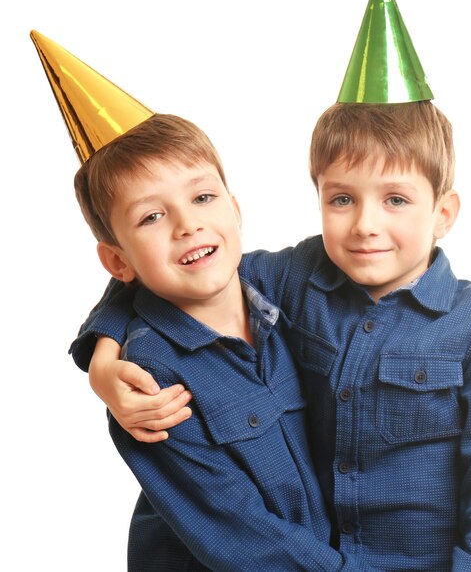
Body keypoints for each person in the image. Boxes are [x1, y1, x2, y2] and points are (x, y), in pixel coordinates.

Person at [68, 0, 471, 570]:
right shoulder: (292, 280)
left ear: (444, 212)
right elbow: (168, 282)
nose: (365, 224)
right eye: (342, 200)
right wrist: (102, 355)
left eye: (396, 200)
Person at [32, 30, 372, 571]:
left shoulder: (285, 282)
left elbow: (404, 328)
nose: (188, 224)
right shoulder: (151, 381)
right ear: (118, 262)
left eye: (202, 197)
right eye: (152, 216)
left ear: (235, 209)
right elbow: (240, 535)